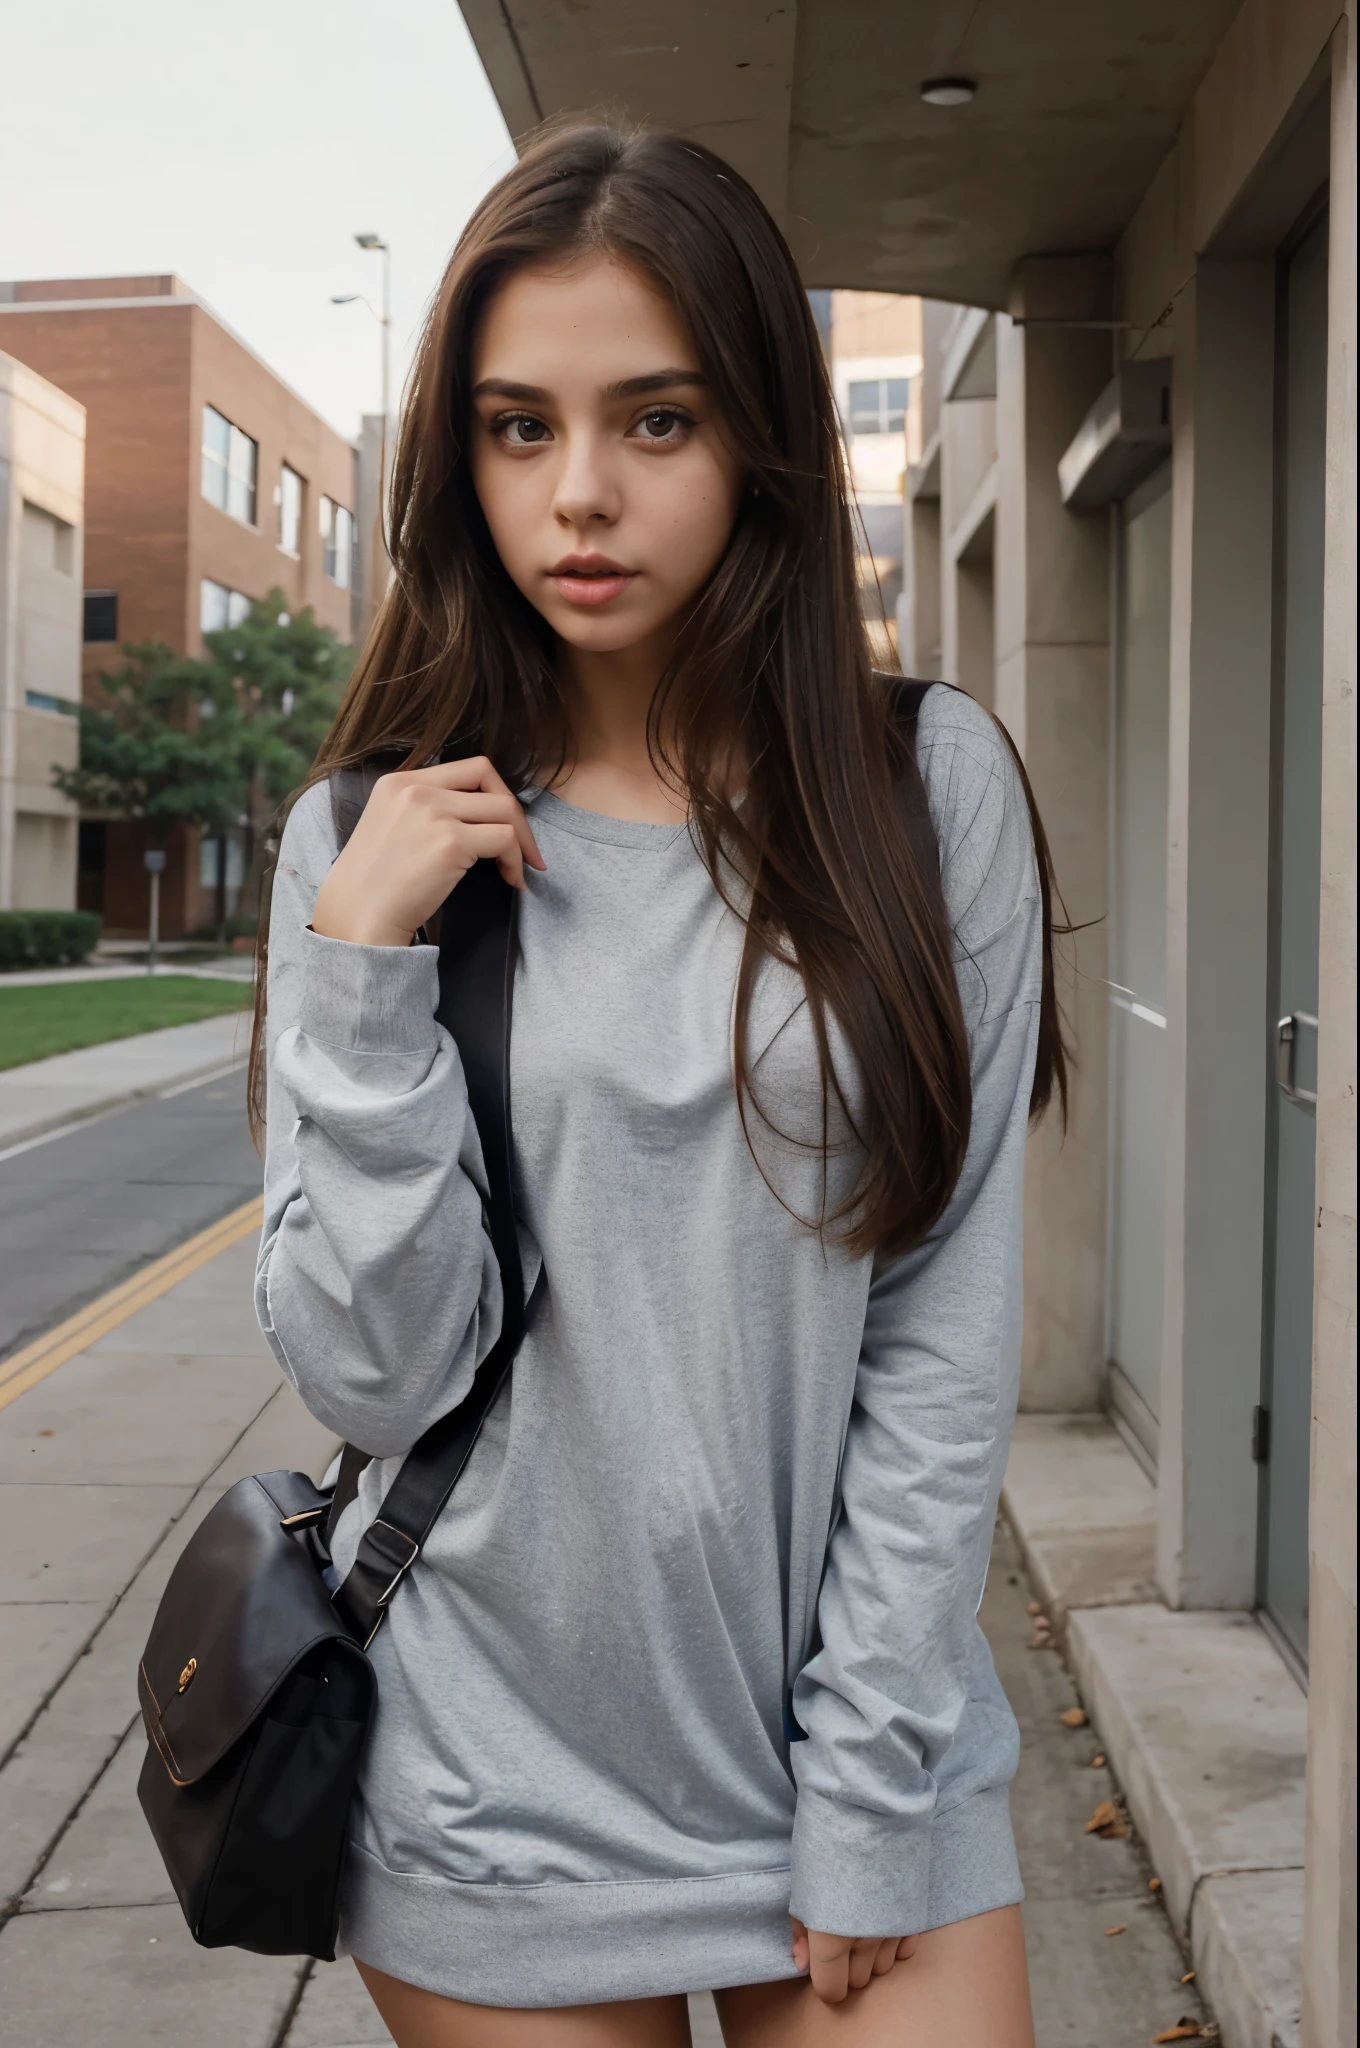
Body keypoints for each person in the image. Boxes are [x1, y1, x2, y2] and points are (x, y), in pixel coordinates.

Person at [251, 118, 1065, 2048]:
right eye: (519, 427)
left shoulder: (922, 791)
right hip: (493, 1779)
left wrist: (868, 1791)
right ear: (459, 458)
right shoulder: (368, 842)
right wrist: (365, 974)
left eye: (658, 420)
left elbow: (941, 1334)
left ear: (762, 438)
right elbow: (373, 1375)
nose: (581, 495)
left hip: (859, 1753)